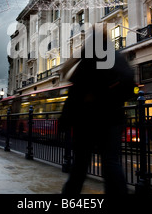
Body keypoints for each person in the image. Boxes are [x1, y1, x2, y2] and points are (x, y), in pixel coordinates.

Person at [59, 24, 134, 195]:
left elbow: (75, 90)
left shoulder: (88, 57)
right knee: (111, 162)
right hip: (113, 117)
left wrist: (65, 118)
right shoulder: (116, 56)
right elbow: (130, 83)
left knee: (80, 165)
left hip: (87, 120)